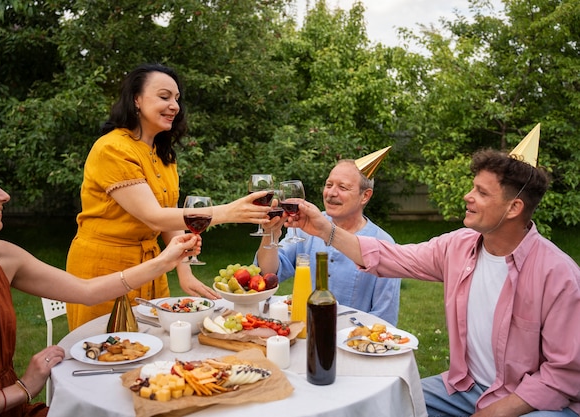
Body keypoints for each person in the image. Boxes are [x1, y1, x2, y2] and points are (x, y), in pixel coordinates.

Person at [285, 144, 580, 416]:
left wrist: (497, 411)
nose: (468, 196)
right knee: (386, 404)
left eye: (481, 192)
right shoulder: (459, 246)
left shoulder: (559, 275)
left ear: (514, 208)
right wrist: (326, 230)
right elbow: (391, 256)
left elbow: (564, 375)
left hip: (533, 401)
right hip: (465, 387)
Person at [0, 142, 201, 416]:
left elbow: (87, 291)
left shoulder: (1, 257)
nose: (5, 196)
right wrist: (21, 389)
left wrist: (167, 259)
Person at [66, 63, 271, 330]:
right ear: (136, 100)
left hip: (152, 266)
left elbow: (169, 220)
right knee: (108, 348)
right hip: (104, 268)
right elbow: (153, 216)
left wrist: (184, 271)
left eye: (176, 99)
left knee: (152, 345)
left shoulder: (165, 155)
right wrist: (227, 212)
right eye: (164, 97)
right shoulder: (112, 149)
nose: (174, 105)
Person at [255, 158, 401, 325]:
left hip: (353, 341)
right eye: (329, 185)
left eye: (343, 187)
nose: (331, 193)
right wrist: (270, 234)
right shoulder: (307, 226)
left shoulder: (383, 243)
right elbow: (268, 275)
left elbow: (385, 316)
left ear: (365, 196)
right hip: (306, 331)